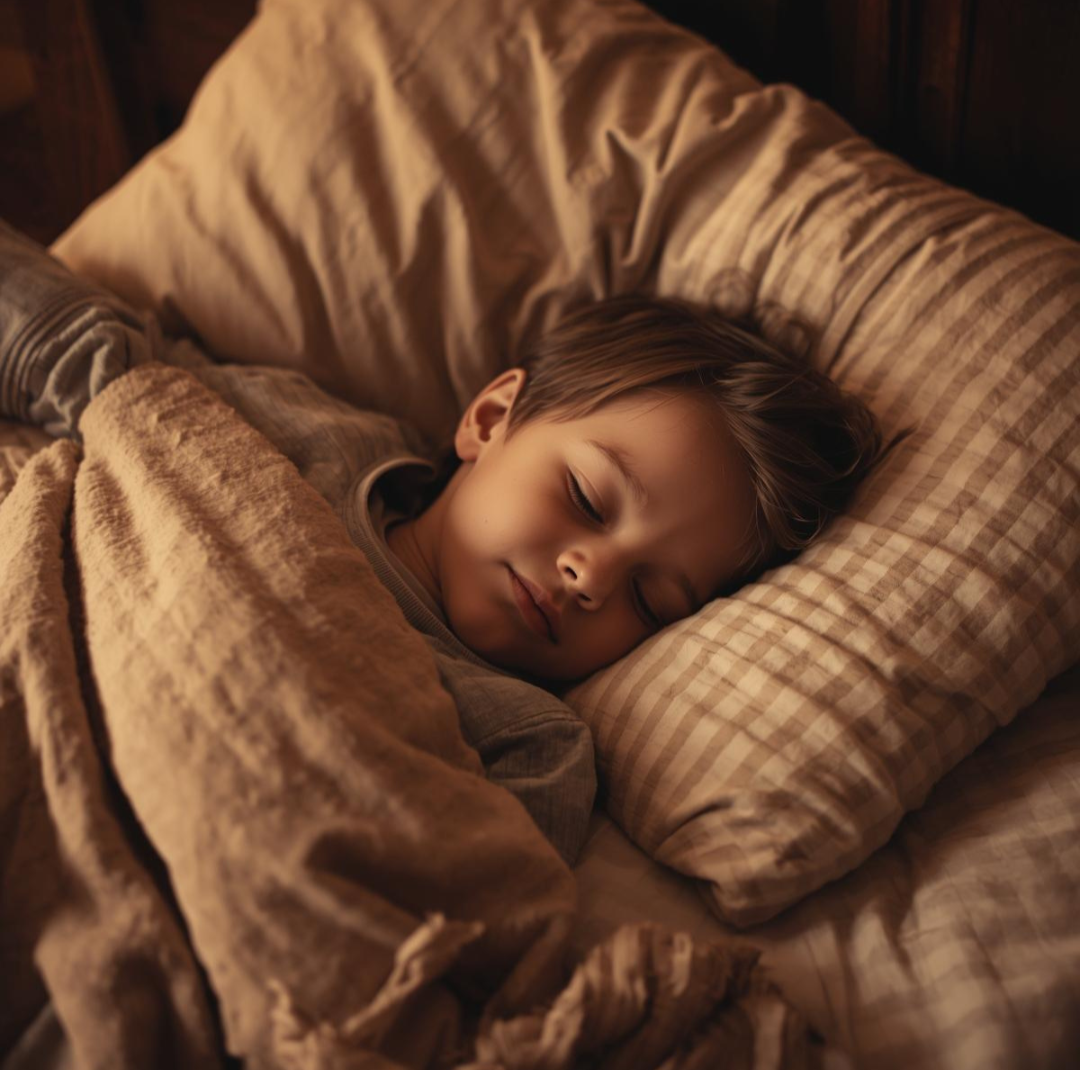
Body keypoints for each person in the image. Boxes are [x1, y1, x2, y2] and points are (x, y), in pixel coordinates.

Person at [0, 220, 882, 864]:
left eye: (655, 599)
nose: (591, 575)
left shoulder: (532, 745)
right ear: (491, 416)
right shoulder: (317, 440)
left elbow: (450, 897)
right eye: (586, 495)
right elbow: (112, 374)